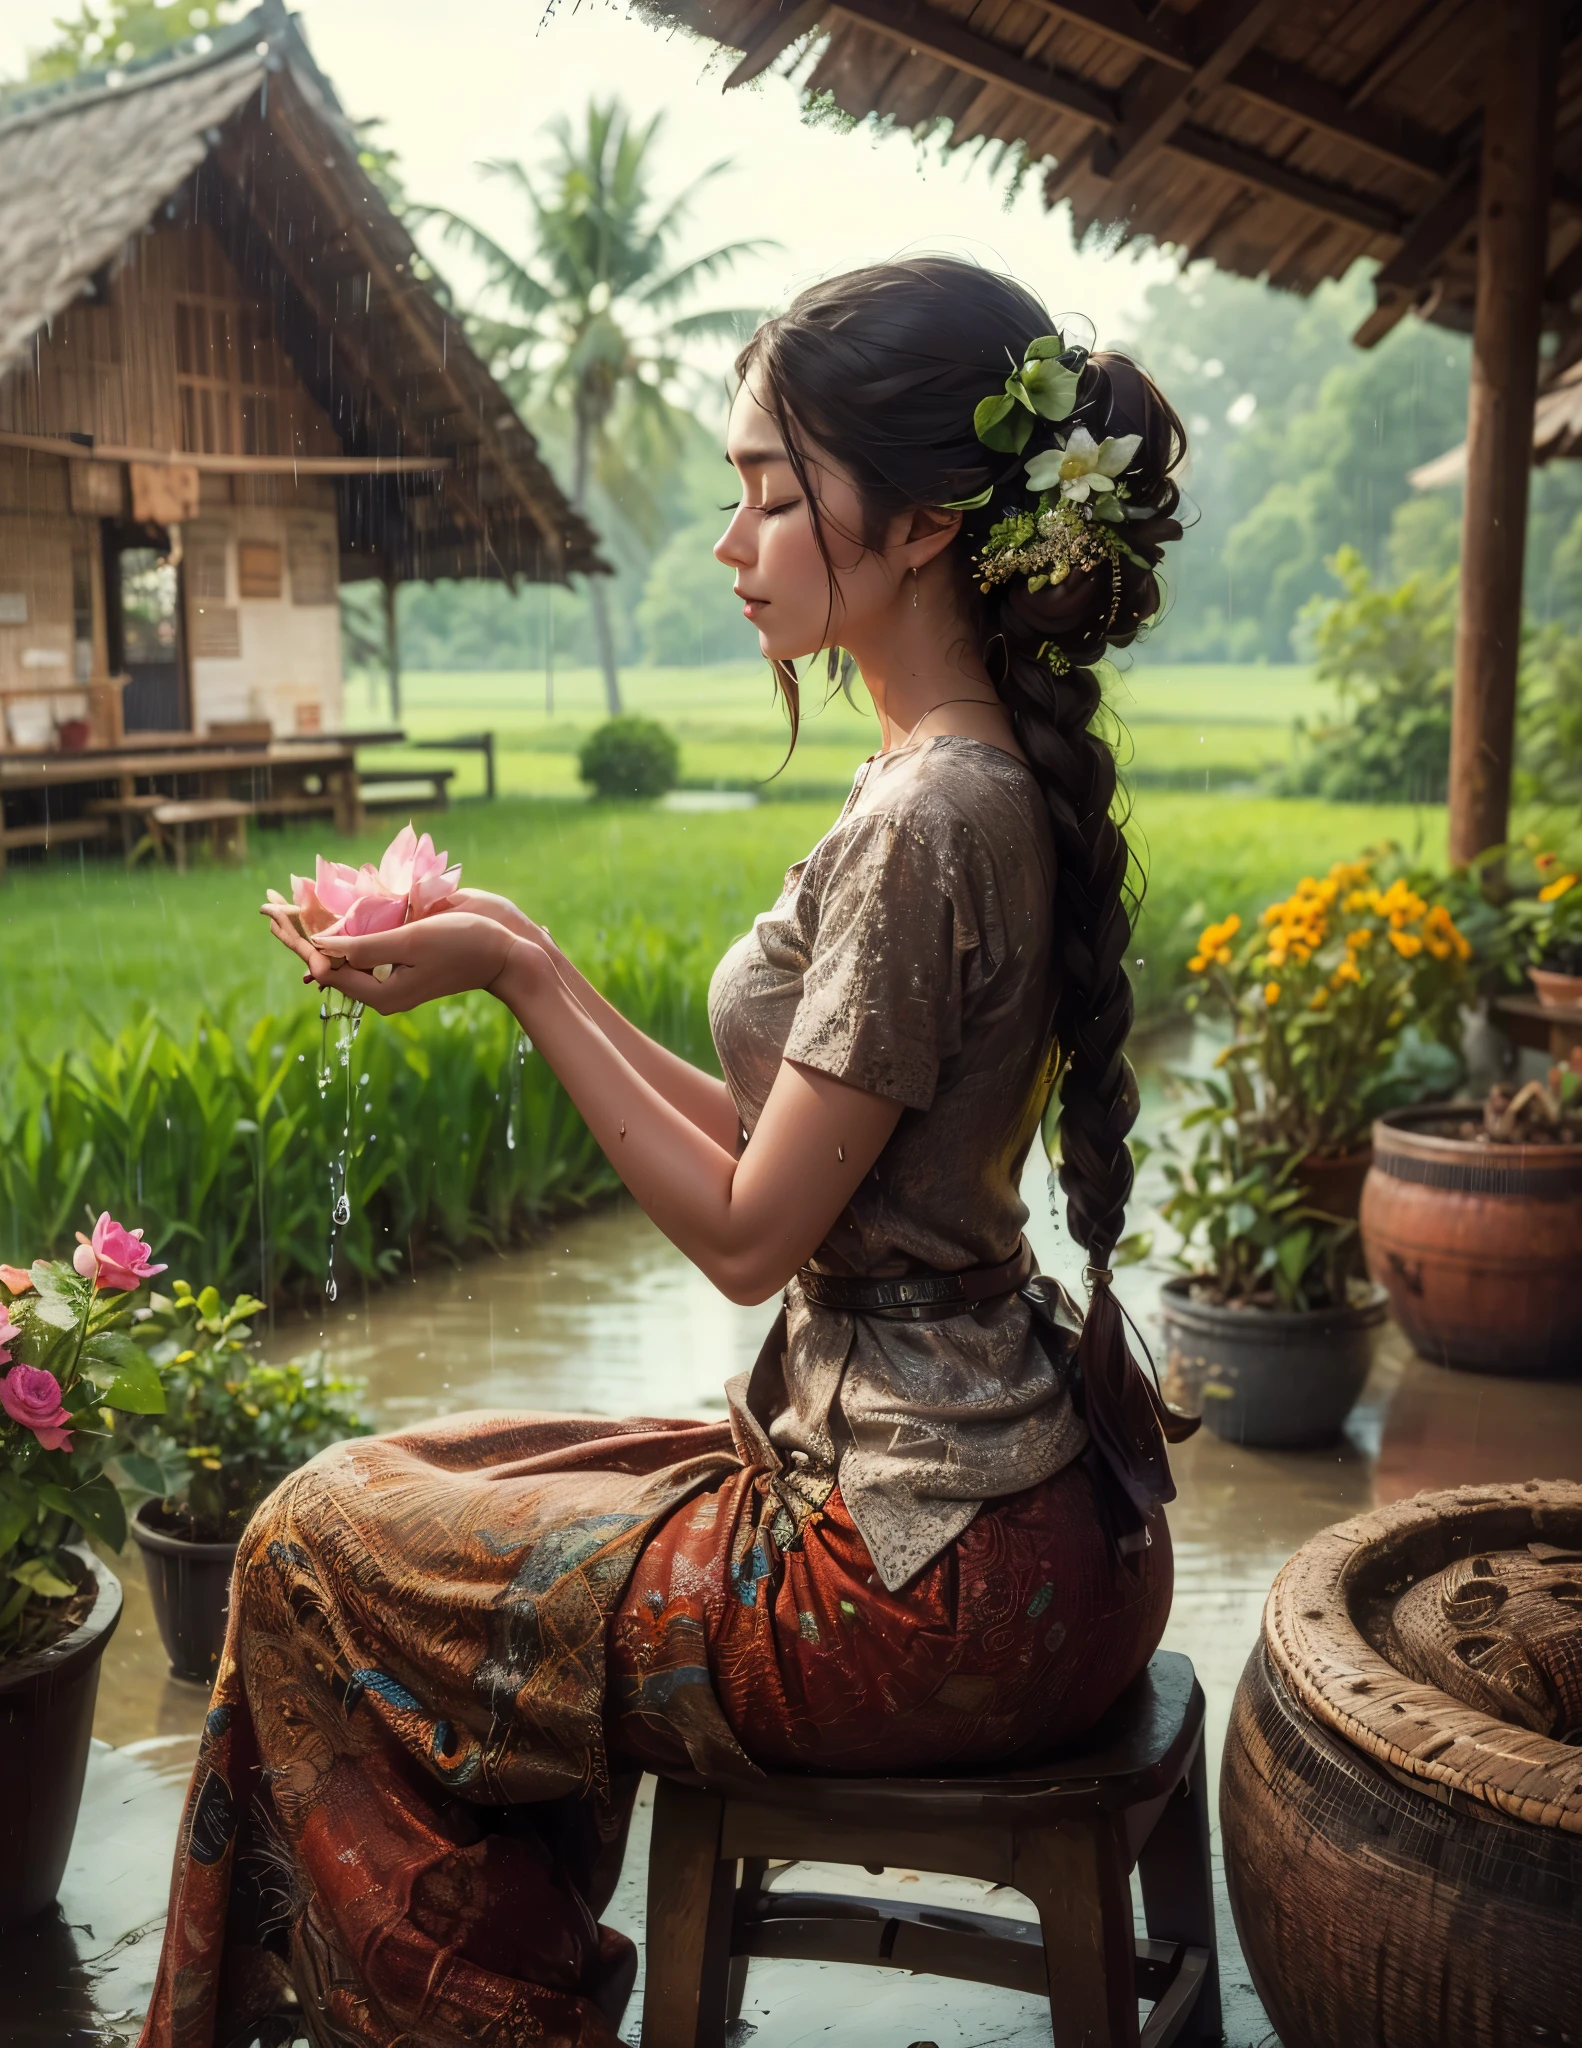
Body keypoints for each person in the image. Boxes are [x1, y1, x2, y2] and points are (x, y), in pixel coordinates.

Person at [139, 256, 1194, 2048]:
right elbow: (792, 1158)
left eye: (774, 495)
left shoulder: (931, 811)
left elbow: (743, 1234)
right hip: (1027, 1523)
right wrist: (522, 949)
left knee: (311, 1546)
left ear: (927, 522)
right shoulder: (958, 775)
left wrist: (515, 978)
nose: (732, 540)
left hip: (916, 1576)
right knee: (413, 1479)